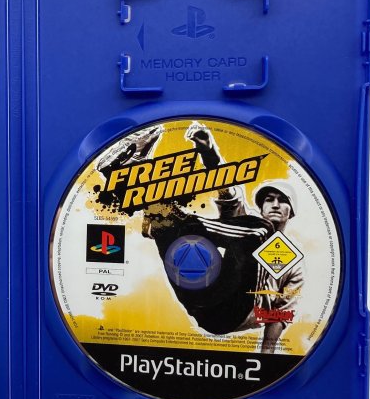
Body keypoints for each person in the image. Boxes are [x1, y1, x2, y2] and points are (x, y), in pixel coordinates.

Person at [100, 123, 302, 352]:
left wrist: (267, 354)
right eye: (269, 199)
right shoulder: (244, 225)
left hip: (236, 312)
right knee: (177, 236)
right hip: (202, 307)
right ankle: (125, 174)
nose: (275, 204)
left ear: (291, 211)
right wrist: (209, 152)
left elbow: (283, 312)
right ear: (261, 205)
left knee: (262, 231)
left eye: (282, 200)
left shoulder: (288, 259)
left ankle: (173, 219)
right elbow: (228, 190)